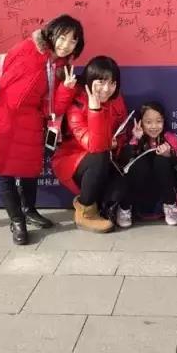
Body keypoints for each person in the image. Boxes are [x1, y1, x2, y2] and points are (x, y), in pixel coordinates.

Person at [0, 15, 83, 244]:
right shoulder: (27, 48)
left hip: (29, 123)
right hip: (0, 117)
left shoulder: (64, 70)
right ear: (51, 34)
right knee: (3, 173)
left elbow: (51, 109)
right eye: (62, 37)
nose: (65, 45)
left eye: (73, 41)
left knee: (29, 172)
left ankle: (29, 210)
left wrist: (66, 88)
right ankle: (17, 221)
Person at [51, 56, 128, 233]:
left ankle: (106, 205)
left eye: (112, 83)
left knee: (120, 185)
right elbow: (95, 146)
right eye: (101, 82)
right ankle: (86, 211)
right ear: (89, 80)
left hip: (106, 159)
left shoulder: (116, 99)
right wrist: (95, 110)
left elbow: (123, 131)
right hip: (73, 162)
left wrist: (117, 142)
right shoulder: (77, 105)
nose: (106, 89)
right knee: (99, 155)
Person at [116, 101, 177, 228]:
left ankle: (170, 206)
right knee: (140, 163)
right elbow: (124, 164)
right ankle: (125, 208)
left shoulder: (170, 137)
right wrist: (135, 139)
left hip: (163, 187)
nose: (154, 126)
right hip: (140, 187)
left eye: (158, 121)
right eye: (148, 122)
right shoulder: (134, 137)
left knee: (161, 160)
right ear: (141, 122)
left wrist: (169, 156)